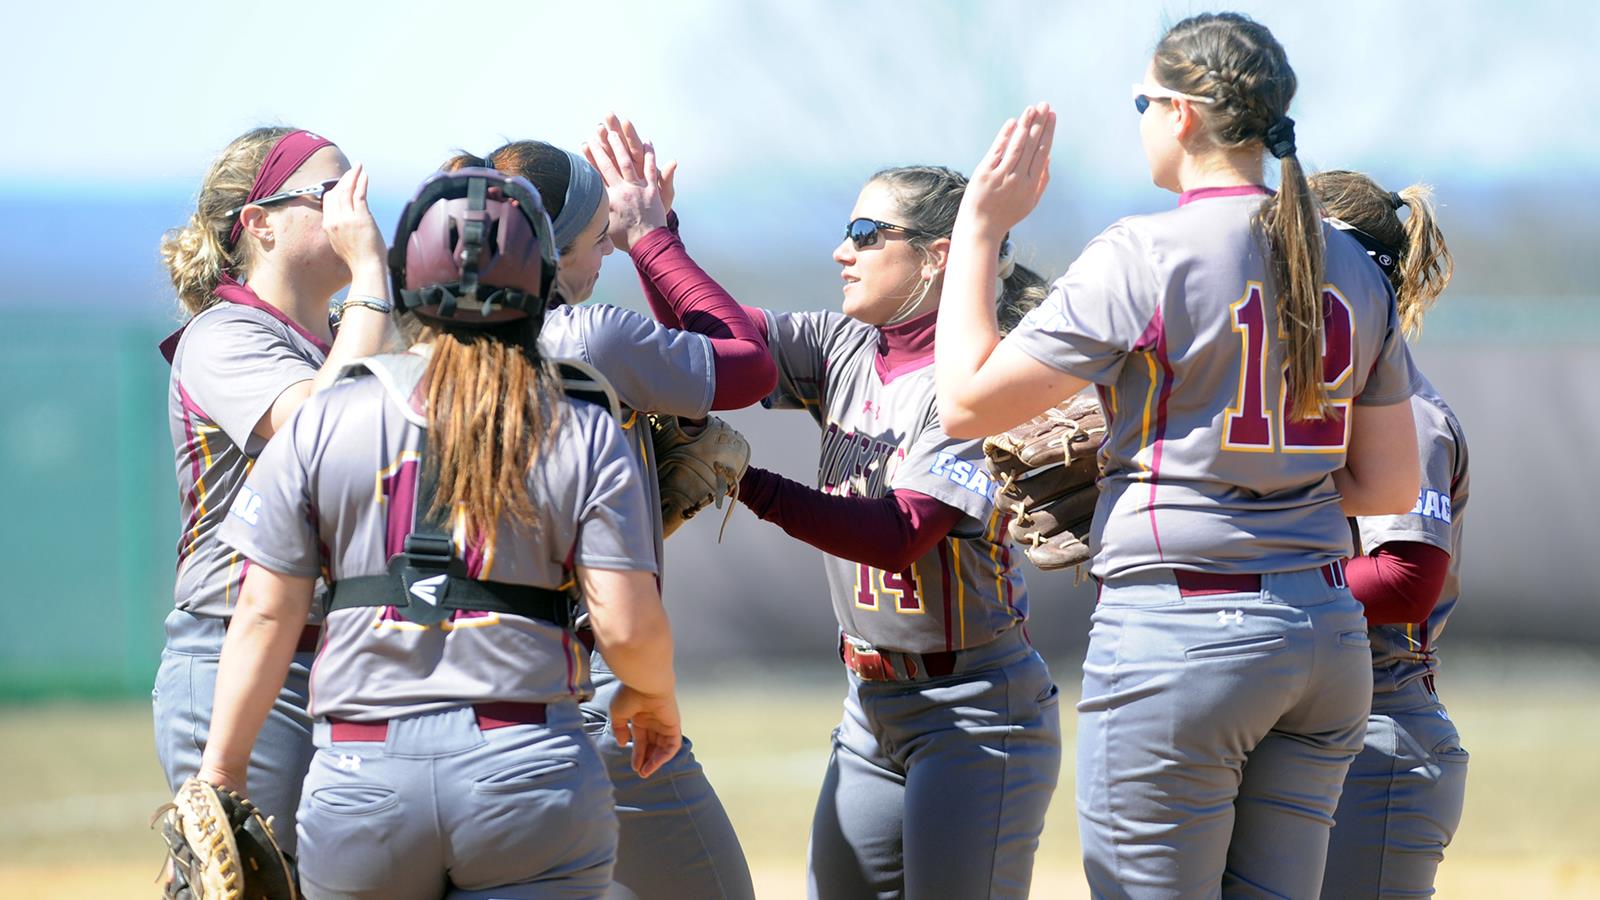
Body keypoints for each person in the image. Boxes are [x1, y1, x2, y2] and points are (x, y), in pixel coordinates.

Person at [933, 13, 1425, 897]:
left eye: (1143, 101)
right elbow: (1388, 484)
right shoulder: (1352, 262)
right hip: (1323, 635)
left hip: (1185, 633)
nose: (1141, 118)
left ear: (1185, 115)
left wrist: (976, 231)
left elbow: (965, 404)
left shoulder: (1145, 252)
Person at [198, 167, 681, 898]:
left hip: (362, 779)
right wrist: (651, 696)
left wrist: (221, 774)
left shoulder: (327, 415)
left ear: (404, 279)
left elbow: (265, 613)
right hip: (525, 769)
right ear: (539, 282)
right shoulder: (579, 423)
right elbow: (627, 625)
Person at [633, 151, 1063, 898]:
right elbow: (710, 350)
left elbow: (899, 535)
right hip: (868, 705)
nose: (843, 251)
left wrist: (749, 483)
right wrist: (652, 238)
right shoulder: (845, 344)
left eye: (867, 233)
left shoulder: (977, 381)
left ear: (937, 258)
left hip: (975, 708)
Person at [449, 116, 771, 900]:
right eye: (598, 238)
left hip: (453, 700)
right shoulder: (584, 336)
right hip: (583, 696)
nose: (606, 253)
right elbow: (748, 365)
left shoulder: (438, 344)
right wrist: (653, 240)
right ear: (552, 248)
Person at [153, 126, 398, 874]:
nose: (352, 206)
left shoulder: (339, 337)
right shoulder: (223, 334)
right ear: (258, 223)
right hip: (233, 652)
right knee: (254, 885)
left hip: (329, 660)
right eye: (327, 193)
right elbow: (324, 425)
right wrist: (372, 280)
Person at [1310, 171, 1468, 898]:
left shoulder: (1408, 412)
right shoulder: (1296, 404)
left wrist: (1262, 579)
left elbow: (1407, 582)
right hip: (1306, 723)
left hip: (1379, 735)